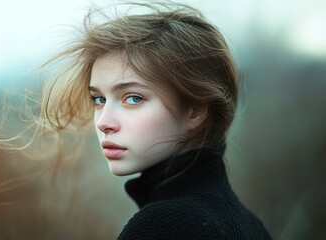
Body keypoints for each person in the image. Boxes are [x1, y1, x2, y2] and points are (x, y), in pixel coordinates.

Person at [38, 1, 272, 239]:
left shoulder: (163, 226)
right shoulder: (253, 226)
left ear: (196, 110)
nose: (103, 122)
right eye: (99, 99)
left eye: (133, 98)